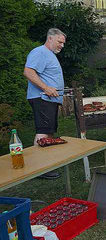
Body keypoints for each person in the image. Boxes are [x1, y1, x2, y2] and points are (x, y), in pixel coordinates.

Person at [23, 28, 66, 180]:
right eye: (60, 42)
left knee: (48, 132)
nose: (61, 45)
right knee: (42, 132)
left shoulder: (49, 54)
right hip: (42, 98)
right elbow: (28, 72)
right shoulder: (39, 52)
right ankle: (38, 168)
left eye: (63, 43)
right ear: (50, 39)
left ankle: (48, 164)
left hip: (49, 100)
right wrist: (46, 88)